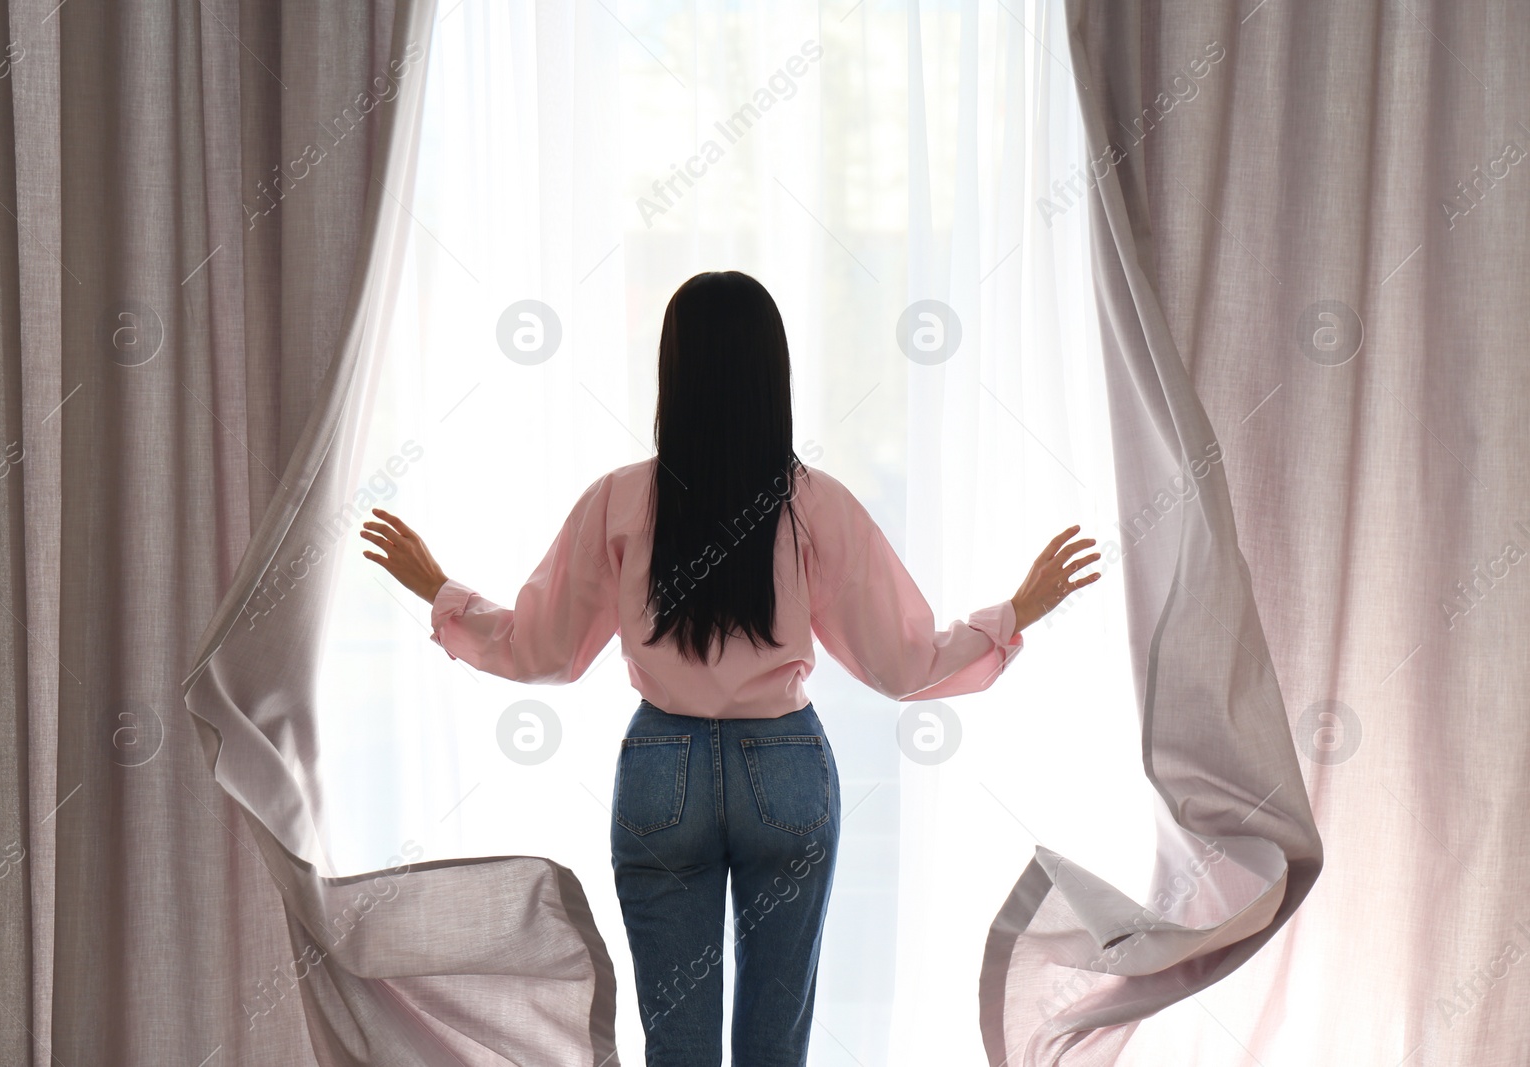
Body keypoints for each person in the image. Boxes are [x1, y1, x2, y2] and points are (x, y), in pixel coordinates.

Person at [359, 270, 1099, 1066]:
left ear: (670, 374)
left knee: (676, 1047)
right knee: (774, 1045)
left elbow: (539, 650)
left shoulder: (619, 501)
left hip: (660, 769)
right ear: (771, 374)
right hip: (785, 769)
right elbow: (903, 662)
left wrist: (440, 590)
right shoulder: (814, 504)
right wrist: (1016, 611)